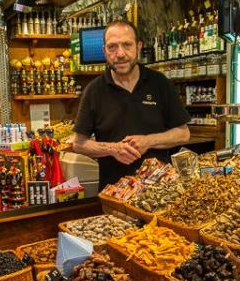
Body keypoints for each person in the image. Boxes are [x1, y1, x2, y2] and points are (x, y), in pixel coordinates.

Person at [73, 19, 191, 188]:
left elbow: (183, 133)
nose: (120, 53)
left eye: (127, 45)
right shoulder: (94, 90)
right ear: (104, 51)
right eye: (112, 47)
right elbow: (79, 143)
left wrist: (148, 141)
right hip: (114, 193)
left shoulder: (160, 83)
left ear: (138, 47)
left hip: (159, 192)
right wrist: (113, 149)